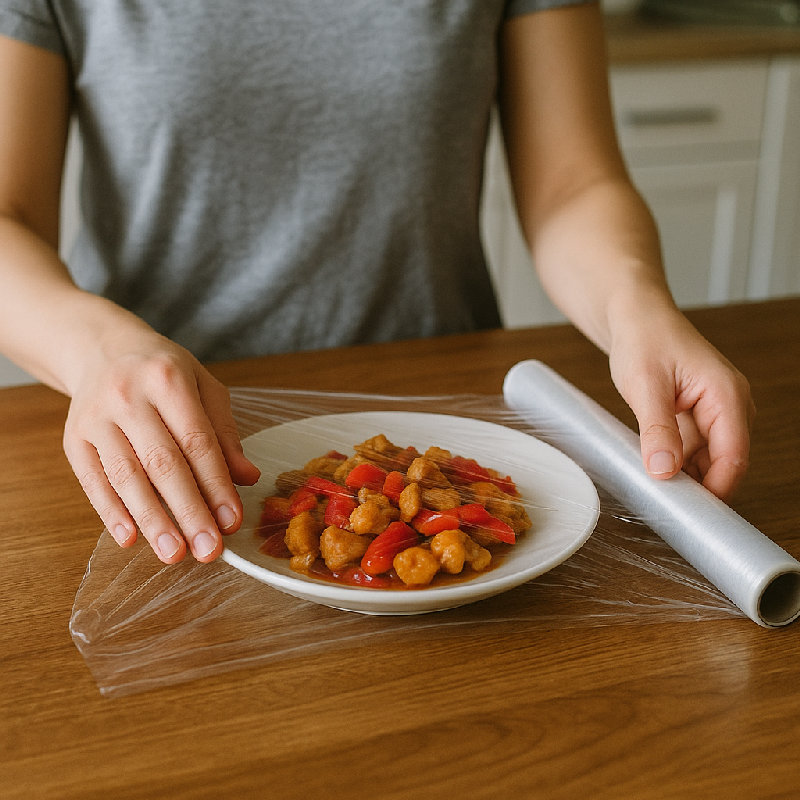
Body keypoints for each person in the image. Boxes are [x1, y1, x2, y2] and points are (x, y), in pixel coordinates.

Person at [0, 1, 754, 566]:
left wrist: (640, 311)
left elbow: (573, 183)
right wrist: (97, 351)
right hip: (159, 452)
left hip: (446, 417)